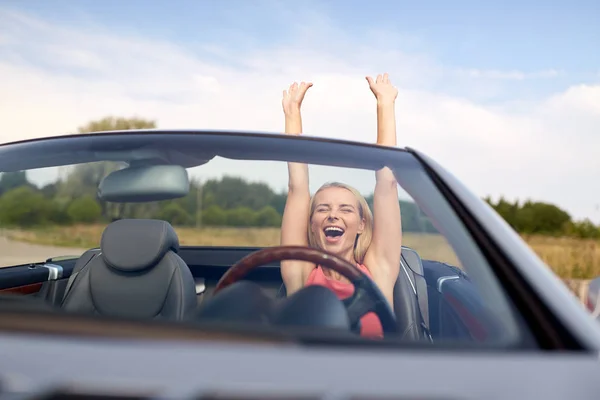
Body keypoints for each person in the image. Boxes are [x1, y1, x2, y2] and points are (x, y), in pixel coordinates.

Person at [280, 74, 403, 338]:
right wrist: (292, 114)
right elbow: (298, 189)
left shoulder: (377, 269)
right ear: (311, 224)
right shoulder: (301, 272)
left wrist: (385, 105)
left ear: (361, 225)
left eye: (345, 209)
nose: (333, 215)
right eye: (322, 209)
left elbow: (387, 184)